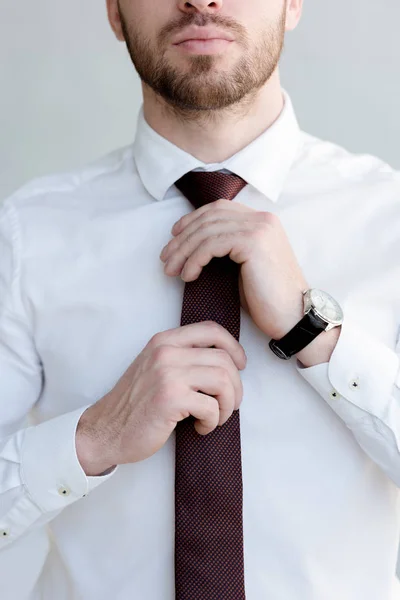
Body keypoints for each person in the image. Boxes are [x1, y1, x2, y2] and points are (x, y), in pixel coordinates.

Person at [1, 0, 400, 598]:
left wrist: (313, 329)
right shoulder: (27, 236)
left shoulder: (388, 219)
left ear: (293, 4)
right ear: (114, 12)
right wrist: (95, 437)